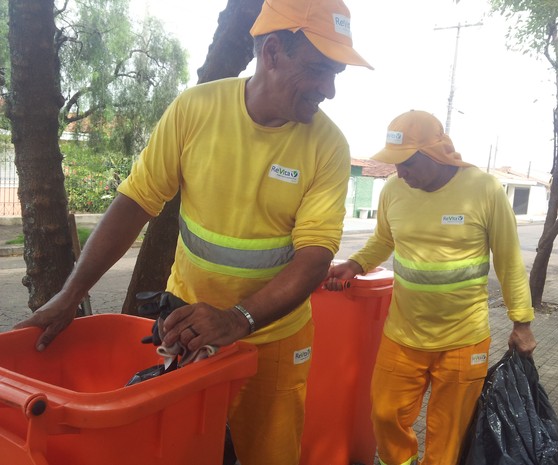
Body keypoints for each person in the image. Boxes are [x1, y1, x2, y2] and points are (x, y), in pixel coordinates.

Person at [14, 0, 372, 463]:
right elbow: (136, 201)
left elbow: (314, 257)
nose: (329, 89)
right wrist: (69, 295)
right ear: (273, 51)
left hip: (274, 339)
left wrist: (237, 319)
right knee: (182, 450)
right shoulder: (197, 109)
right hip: (188, 330)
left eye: (336, 74)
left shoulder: (328, 145)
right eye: (319, 69)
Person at [324, 110, 537, 465]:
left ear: (435, 154)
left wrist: (522, 323)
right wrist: (355, 264)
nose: (399, 173)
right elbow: (382, 240)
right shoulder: (394, 190)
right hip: (402, 334)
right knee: (385, 415)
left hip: (464, 337)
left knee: (449, 433)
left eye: (406, 163)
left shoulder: (484, 189)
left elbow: (509, 259)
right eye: (396, 165)